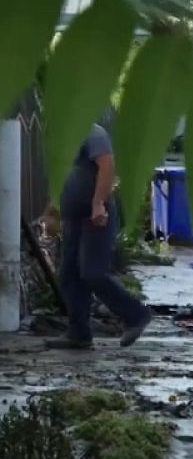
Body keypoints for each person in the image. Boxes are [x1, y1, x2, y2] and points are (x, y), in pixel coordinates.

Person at [47, 123, 152, 350]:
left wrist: (98, 204)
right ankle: (79, 334)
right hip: (74, 219)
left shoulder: (92, 132)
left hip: (97, 216)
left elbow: (107, 165)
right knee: (69, 275)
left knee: (92, 272)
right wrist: (53, 210)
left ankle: (136, 315)